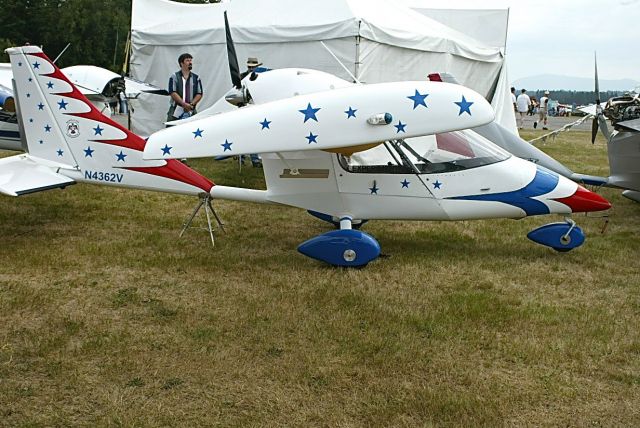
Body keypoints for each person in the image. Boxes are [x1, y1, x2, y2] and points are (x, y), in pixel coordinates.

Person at [167, 53, 203, 123]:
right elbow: (173, 92)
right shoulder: (174, 76)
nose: (190, 62)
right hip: (176, 109)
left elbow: (199, 93)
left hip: (191, 109)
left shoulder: (196, 77)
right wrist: (183, 104)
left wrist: (191, 104)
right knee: (171, 128)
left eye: (190, 60)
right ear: (181, 63)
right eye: (187, 60)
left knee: (193, 129)